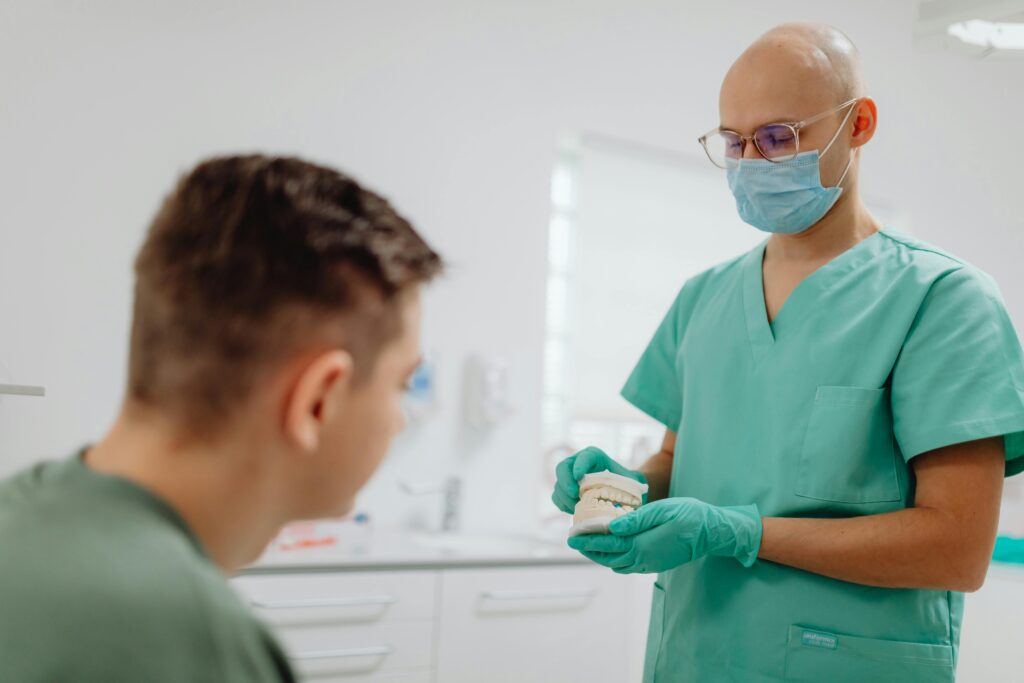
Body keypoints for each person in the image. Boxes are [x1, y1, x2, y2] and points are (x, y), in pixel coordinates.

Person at [553, 22, 1024, 682]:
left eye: (777, 137)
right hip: (694, 656)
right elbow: (674, 460)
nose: (750, 162)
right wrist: (616, 493)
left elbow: (956, 548)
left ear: (858, 125)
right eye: (734, 143)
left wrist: (742, 532)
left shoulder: (944, 301)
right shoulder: (704, 298)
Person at [0, 155, 443, 682]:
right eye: (401, 384)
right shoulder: (188, 641)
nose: (399, 420)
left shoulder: (21, 510)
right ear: (317, 401)